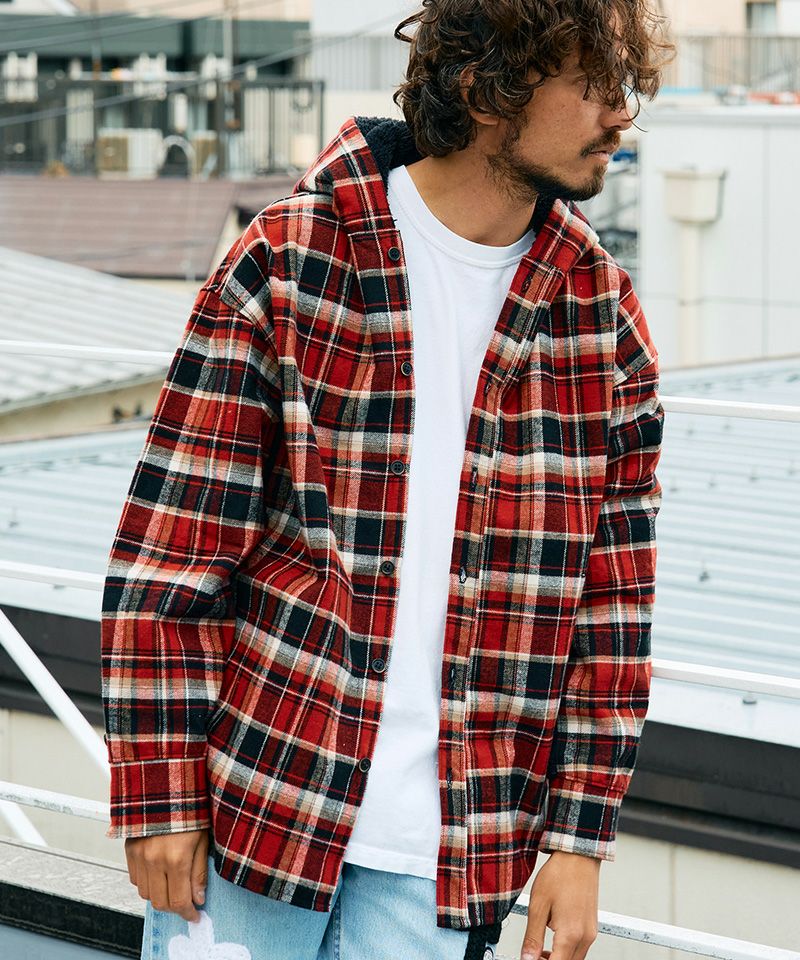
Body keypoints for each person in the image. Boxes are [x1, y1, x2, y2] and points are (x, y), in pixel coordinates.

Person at [100, 2, 675, 959]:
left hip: (447, 856)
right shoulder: (291, 258)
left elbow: (615, 606)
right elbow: (174, 545)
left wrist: (579, 842)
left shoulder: (602, 315)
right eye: (593, 86)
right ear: (487, 89)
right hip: (257, 814)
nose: (622, 115)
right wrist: (159, 793)